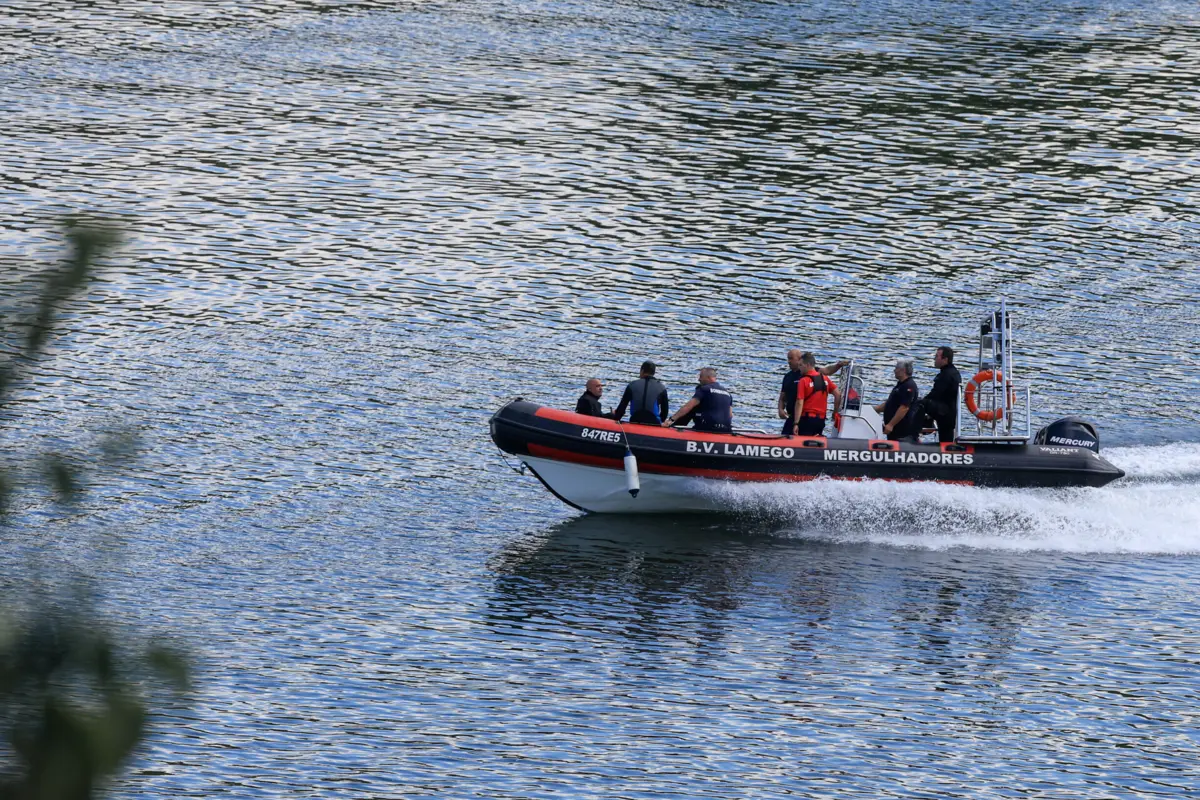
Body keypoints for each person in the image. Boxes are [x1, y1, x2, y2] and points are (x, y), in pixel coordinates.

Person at [778, 349, 849, 435]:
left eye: (791, 358)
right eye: (788, 358)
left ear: (799, 359)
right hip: (794, 416)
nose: (788, 361)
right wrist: (780, 409)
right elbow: (782, 397)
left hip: (803, 417)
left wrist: (838, 365)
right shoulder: (787, 377)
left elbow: (827, 371)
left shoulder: (809, 375)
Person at [915, 346, 962, 442]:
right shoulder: (953, 372)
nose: (934, 359)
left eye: (937, 356)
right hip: (950, 413)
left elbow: (935, 394)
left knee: (920, 403)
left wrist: (922, 401)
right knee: (945, 439)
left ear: (945, 359)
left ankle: (914, 433)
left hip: (944, 413)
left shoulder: (946, 375)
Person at [663, 367, 732, 432]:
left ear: (708, 377)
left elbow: (688, 406)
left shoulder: (704, 389)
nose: (699, 379)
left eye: (701, 376)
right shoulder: (727, 393)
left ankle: (674, 428)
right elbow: (730, 415)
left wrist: (671, 419)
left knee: (693, 407)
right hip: (726, 429)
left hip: (707, 428)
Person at [792, 352, 842, 437]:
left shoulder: (803, 381)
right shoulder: (825, 378)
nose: (799, 368)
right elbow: (837, 394)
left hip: (807, 419)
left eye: (800, 365)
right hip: (821, 420)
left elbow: (799, 402)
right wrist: (835, 411)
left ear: (807, 365)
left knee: (803, 443)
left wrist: (796, 423)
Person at [874, 359, 919, 441]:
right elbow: (890, 403)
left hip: (902, 429)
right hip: (894, 429)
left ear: (903, 370)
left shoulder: (909, 386)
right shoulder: (900, 385)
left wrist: (891, 425)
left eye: (896, 368)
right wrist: (874, 409)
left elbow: (904, 408)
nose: (894, 371)